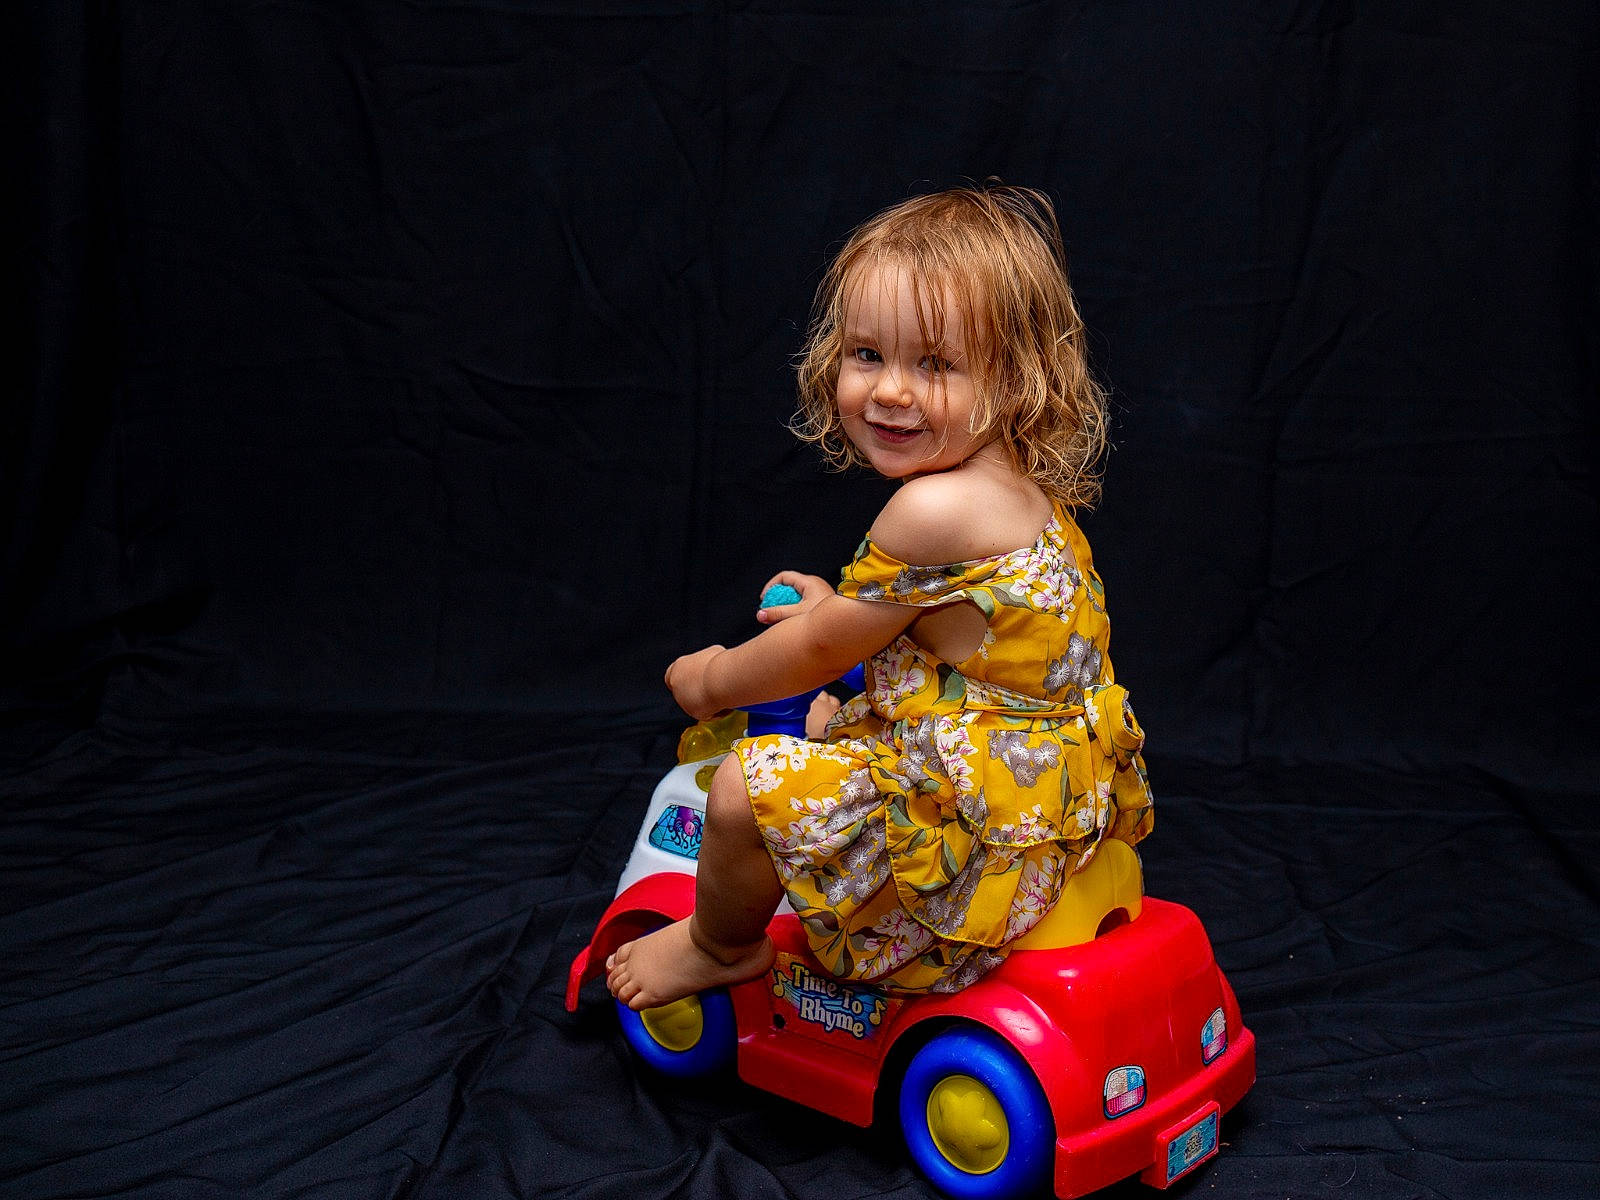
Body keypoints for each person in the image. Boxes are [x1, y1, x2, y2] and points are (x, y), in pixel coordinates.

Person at [607, 185, 1154, 1011]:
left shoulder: (930, 509)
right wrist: (837, 606)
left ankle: (718, 943)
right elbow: (949, 633)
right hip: (1039, 792)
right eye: (869, 355)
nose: (890, 390)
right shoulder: (1021, 486)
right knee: (826, 718)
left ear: (1016, 377)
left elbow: (820, 651)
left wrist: (714, 679)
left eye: (934, 364)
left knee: (738, 790)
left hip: (977, 845)